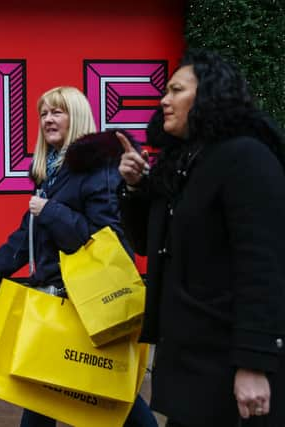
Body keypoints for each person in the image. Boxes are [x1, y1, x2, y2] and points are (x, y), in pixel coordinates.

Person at [0, 86, 157, 427]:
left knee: (110, 395)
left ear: (76, 116)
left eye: (57, 111)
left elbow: (107, 240)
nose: (48, 119)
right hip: (63, 302)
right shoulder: (52, 174)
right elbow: (24, 240)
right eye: (44, 113)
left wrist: (50, 211)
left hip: (88, 306)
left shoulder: (99, 170)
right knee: (51, 387)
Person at [117, 49, 285, 427]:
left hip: (228, 365)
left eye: (176, 89)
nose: (163, 100)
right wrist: (135, 188)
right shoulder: (183, 162)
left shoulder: (247, 157)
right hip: (191, 362)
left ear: (209, 96)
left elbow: (263, 266)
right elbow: (148, 243)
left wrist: (253, 364)